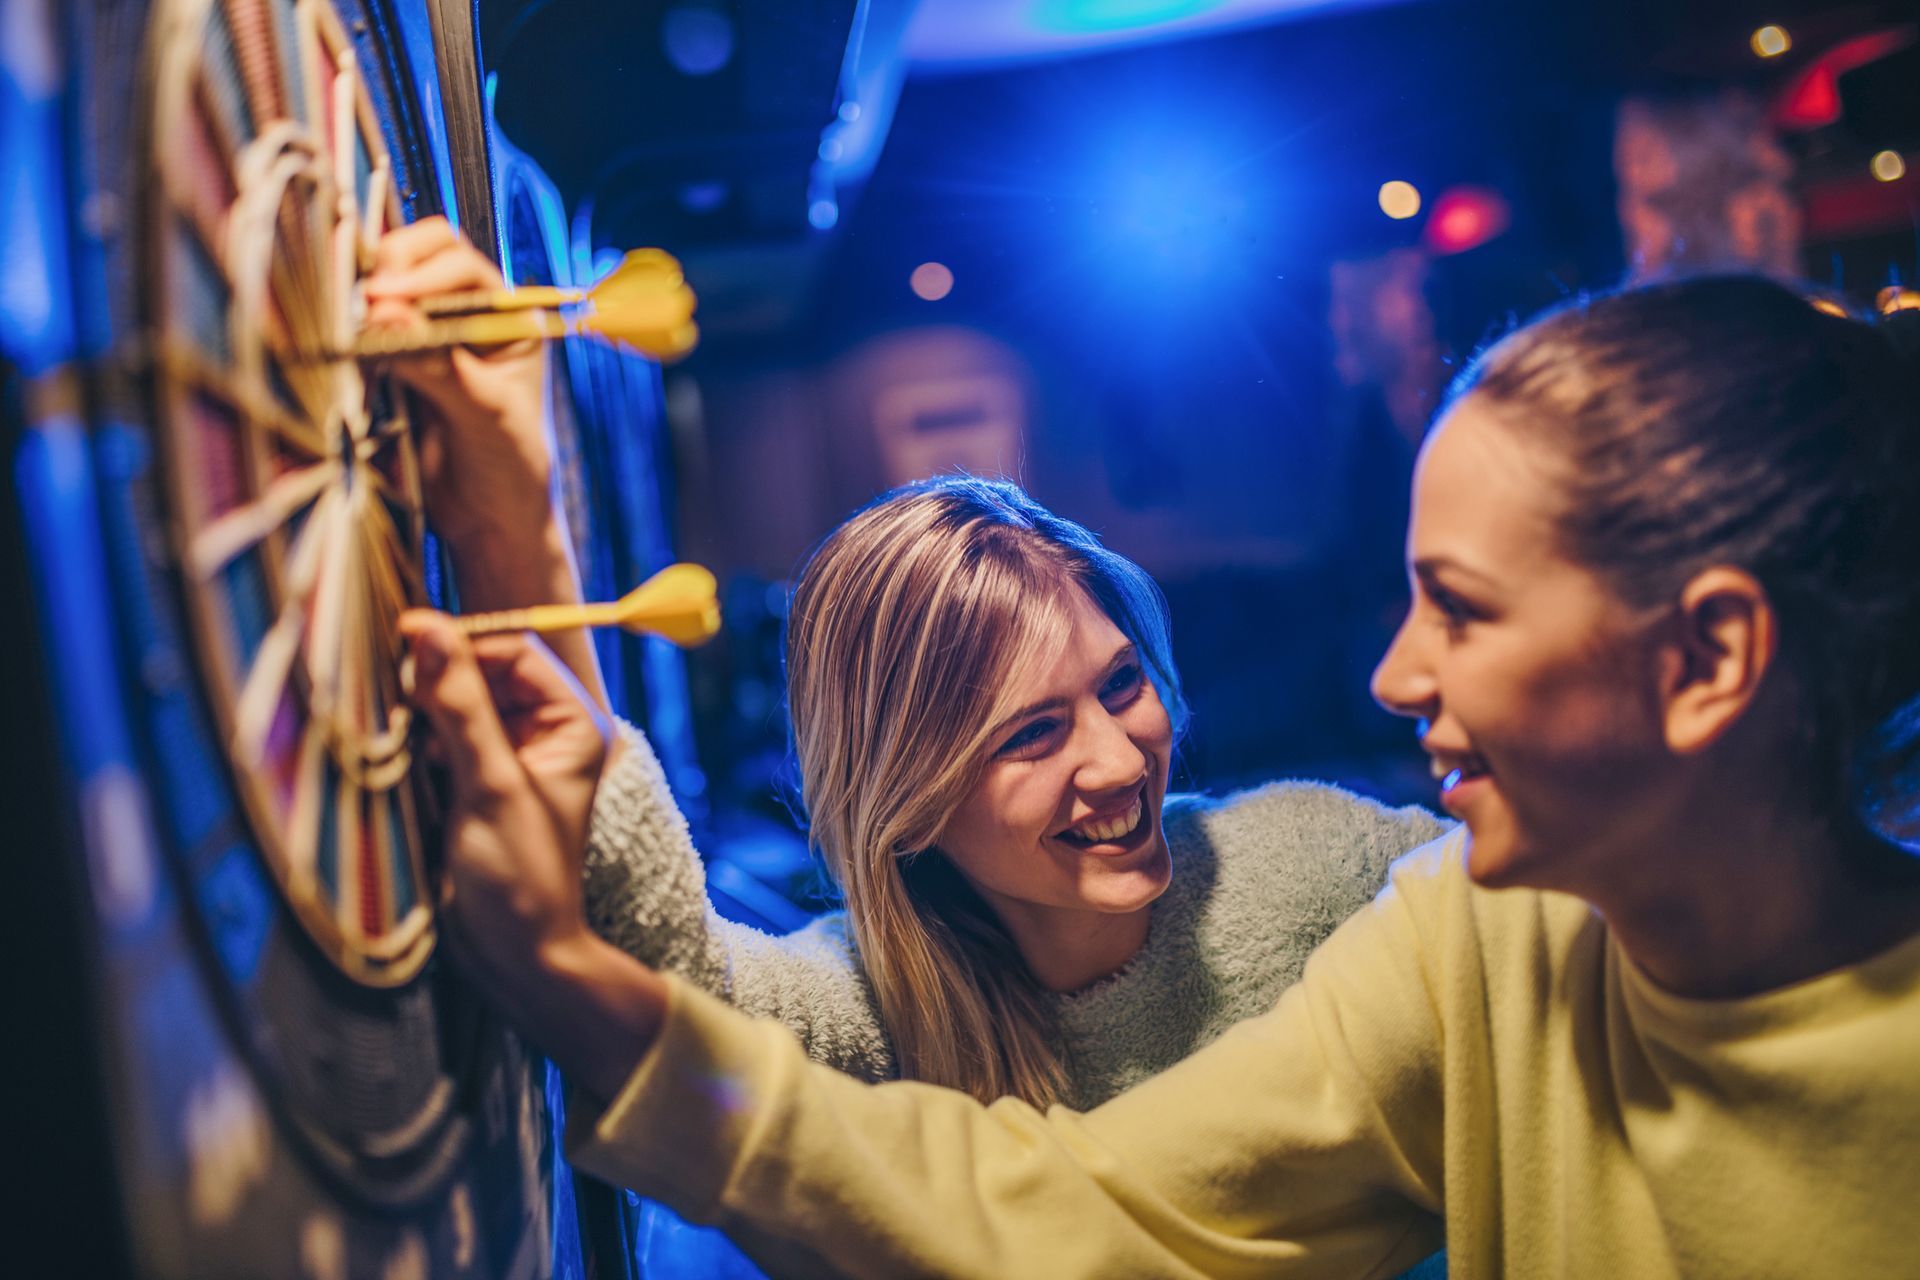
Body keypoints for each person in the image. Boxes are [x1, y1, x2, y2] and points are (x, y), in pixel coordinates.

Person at [406, 273, 1920, 1277]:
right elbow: (1070, 1213)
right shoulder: (1474, 941)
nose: (1393, 677)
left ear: (1711, 661)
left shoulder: (1371, 879)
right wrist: (520, 541)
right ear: (908, 802)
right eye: (1023, 734)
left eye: (1457, 607)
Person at [367, 219, 1445, 1106]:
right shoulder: (879, 1017)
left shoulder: (1321, 866)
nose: (1119, 761)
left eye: (1121, 684)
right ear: (910, 798)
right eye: (1032, 732)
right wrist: (513, 514)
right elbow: (658, 956)